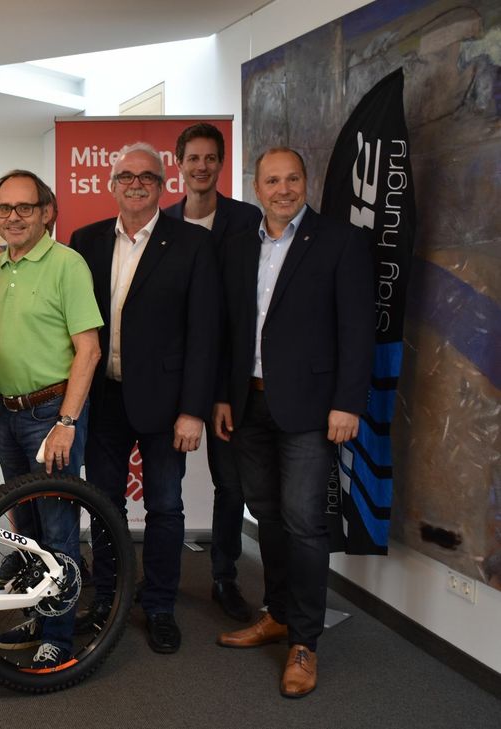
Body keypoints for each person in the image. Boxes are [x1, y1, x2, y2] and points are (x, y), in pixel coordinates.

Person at [214, 147, 373, 697]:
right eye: (272, 180)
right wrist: (223, 397)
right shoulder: (239, 245)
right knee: (268, 515)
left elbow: (358, 329)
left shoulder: (339, 241)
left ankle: (304, 640)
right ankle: (277, 613)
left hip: (311, 409)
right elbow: (232, 330)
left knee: (305, 523)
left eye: (293, 178)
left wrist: (348, 403)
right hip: (250, 404)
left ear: (306, 182)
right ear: (256, 187)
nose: (284, 189)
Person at [70, 142, 218, 655]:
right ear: (110, 185)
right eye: (126, 176)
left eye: (148, 177)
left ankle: (158, 605)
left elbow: (205, 332)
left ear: (163, 185)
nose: (136, 184)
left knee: (166, 507)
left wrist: (193, 409)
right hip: (103, 400)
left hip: (166, 404)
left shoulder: (192, 243)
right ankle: (107, 598)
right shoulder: (84, 241)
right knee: (103, 505)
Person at [0, 170, 103, 669]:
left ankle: (59, 635)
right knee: (26, 531)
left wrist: (67, 420)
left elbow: (89, 349)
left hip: (52, 414)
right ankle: (40, 611)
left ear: (46, 212)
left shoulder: (67, 264)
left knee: (57, 530)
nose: (13, 217)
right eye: (4, 208)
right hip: (9, 415)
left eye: (24, 208)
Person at [163, 123, 263, 622]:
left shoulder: (248, 220)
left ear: (220, 164)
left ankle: (224, 576)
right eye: (193, 158)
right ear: (177, 164)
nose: (201, 166)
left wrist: (223, 389)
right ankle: (161, 580)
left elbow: (248, 308)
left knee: (232, 484)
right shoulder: (163, 222)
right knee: (166, 486)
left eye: (210, 159)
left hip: (230, 378)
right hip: (175, 376)